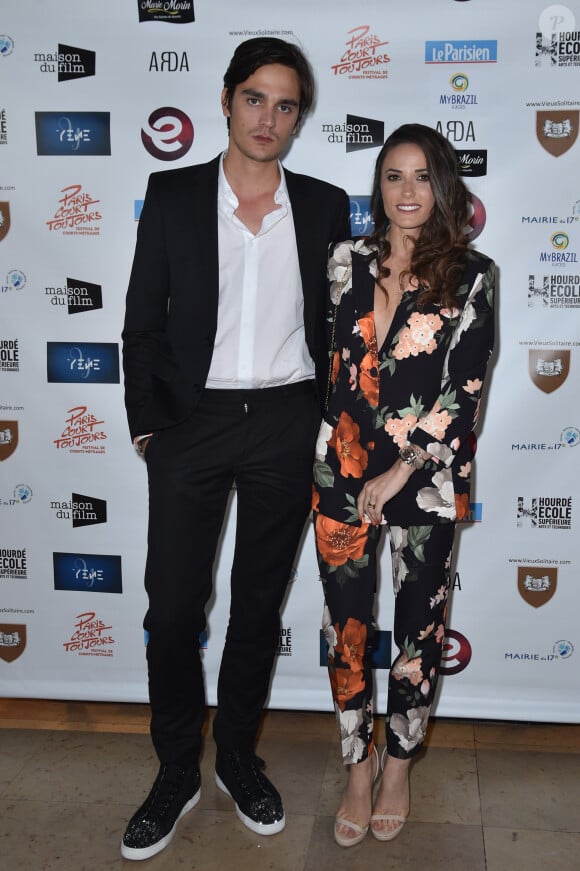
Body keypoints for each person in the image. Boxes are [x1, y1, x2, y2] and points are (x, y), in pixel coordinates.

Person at [121, 37, 350, 861]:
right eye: (256, 98)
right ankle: (176, 767)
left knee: (257, 607)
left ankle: (240, 761)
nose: (269, 118)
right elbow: (142, 322)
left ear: (299, 117)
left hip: (287, 422)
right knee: (174, 608)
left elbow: (338, 330)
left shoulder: (325, 206)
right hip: (192, 424)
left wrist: (326, 419)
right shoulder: (174, 193)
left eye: (286, 105)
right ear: (226, 100)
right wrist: (150, 425)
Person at [312, 123, 495, 847]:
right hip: (341, 471)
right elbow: (329, 365)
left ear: (443, 186)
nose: (408, 191)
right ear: (379, 187)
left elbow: (464, 390)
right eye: (394, 176)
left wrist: (400, 468)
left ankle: (400, 766)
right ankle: (359, 763)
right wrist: (338, 459)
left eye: (423, 176)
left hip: (422, 479)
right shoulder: (343, 260)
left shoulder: (473, 273)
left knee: (419, 626)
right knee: (347, 627)